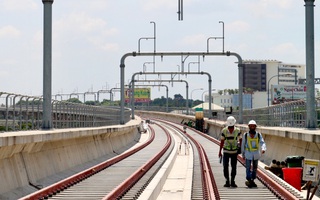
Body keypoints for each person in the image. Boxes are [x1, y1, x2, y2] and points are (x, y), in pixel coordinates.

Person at [241, 120, 266, 188]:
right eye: (251, 126)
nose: (252, 127)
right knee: (248, 168)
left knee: (255, 168)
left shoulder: (258, 135)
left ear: (255, 127)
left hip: (256, 154)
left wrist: (263, 148)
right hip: (248, 154)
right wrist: (243, 154)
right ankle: (249, 179)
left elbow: (262, 142)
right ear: (249, 127)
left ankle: (252, 179)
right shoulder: (246, 135)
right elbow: (243, 144)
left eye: (253, 126)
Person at [219, 116, 242, 187]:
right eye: (230, 127)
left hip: (234, 152)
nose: (231, 128)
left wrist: (240, 148)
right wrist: (219, 151)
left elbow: (241, 140)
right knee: (225, 166)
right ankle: (227, 181)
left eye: (232, 127)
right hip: (226, 151)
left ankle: (232, 181)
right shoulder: (224, 130)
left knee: (234, 167)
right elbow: (222, 141)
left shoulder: (238, 131)